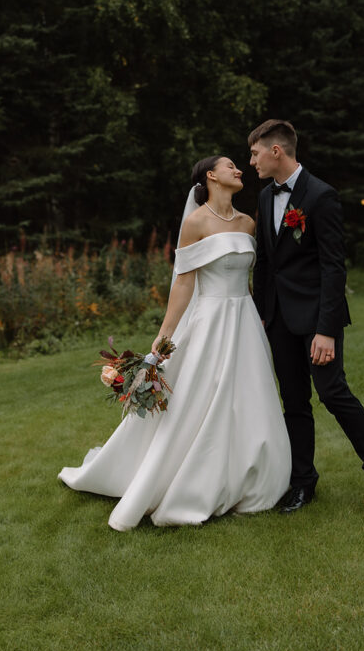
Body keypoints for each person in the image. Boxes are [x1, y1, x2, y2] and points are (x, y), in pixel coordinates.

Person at [58, 155, 291, 530]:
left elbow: (250, 277)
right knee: (202, 398)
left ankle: (254, 477)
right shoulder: (195, 222)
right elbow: (184, 283)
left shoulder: (248, 222)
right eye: (231, 165)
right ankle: (191, 480)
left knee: (249, 396)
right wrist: (164, 337)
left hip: (244, 320)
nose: (240, 170)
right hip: (209, 321)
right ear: (211, 176)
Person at [248, 118, 364, 515]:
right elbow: (265, 263)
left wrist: (326, 331)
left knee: (334, 395)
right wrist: (263, 316)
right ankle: (303, 483)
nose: (251, 161)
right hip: (279, 319)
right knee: (294, 402)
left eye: (255, 152)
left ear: (276, 150)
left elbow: (334, 268)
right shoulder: (265, 198)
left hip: (317, 320)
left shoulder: (321, 196)